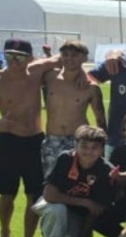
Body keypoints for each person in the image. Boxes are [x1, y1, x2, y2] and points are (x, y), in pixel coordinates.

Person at [0, 39, 63, 237]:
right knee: (7, 194)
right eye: (9, 55)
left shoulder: (36, 71)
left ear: (29, 58)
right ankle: (5, 231)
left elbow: (64, 58)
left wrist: (47, 56)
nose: (14, 61)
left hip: (35, 142)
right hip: (8, 142)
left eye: (20, 56)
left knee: (34, 195)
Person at [31, 125, 114, 237]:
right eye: (84, 146)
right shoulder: (65, 158)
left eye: (94, 147)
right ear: (76, 145)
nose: (88, 151)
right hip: (53, 204)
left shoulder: (105, 169)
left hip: (80, 214)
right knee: (56, 210)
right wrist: (85, 202)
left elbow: (96, 209)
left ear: (102, 150)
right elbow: (49, 195)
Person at [40, 40, 105, 177]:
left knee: (78, 181)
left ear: (84, 58)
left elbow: (100, 120)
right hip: (53, 139)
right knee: (50, 180)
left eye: (74, 55)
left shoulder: (91, 87)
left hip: (79, 141)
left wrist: (101, 148)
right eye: (65, 54)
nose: (69, 58)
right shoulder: (49, 77)